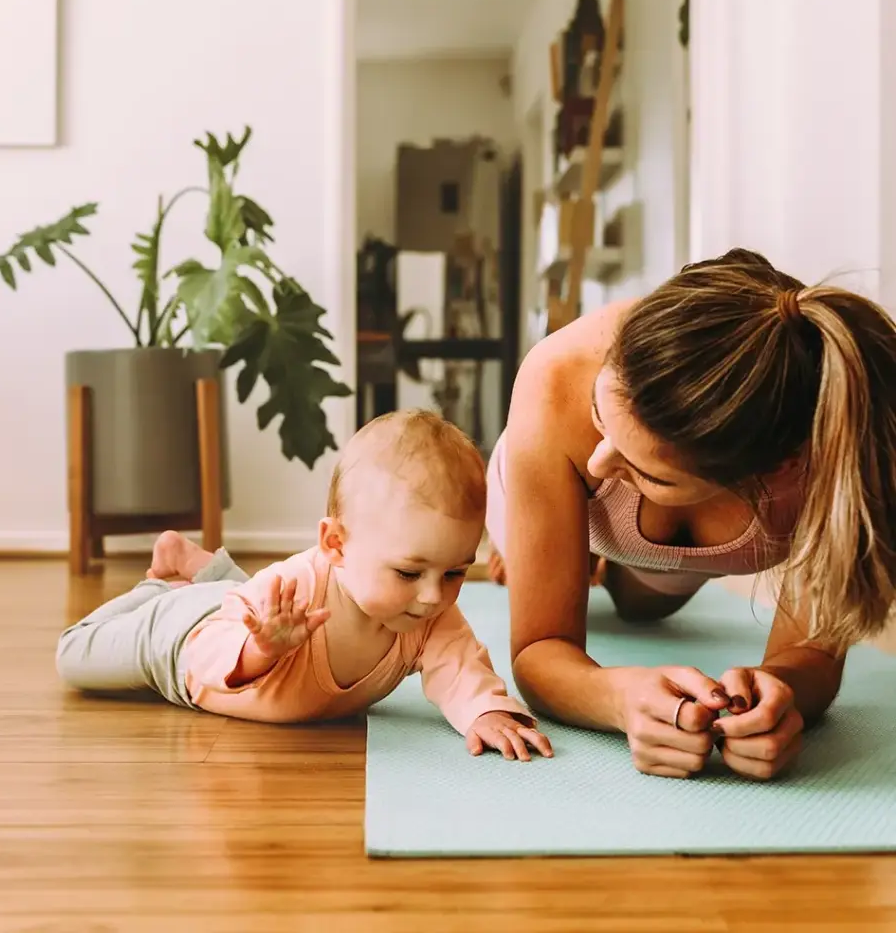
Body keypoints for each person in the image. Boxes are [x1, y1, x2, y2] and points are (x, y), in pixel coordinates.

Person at [486, 248, 896, 780]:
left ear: (772, 473)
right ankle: (574, 553)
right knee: (561, 567)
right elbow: (542, 648)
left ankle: (614, 570)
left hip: (680, 550)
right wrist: (620, 698)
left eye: (650, 473)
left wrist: (778, 698)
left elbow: (812, 655)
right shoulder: (557, 379)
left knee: (643, 609)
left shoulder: (843, 462)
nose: (598, 461)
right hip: (538, 490)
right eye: (599, 416)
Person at [56, 410, 553, 762]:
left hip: (253, 612)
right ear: (335, 543)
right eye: (408, 572)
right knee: (73, 657)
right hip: (181, 640)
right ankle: (161, 588)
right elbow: (210, 655)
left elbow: (460, 667)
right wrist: (260, 651)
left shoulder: (425, 612)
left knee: (258, 606)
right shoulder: (296, 587)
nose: (433, 595)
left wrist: (486, 711)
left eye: (455, 573)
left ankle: (202, 567)